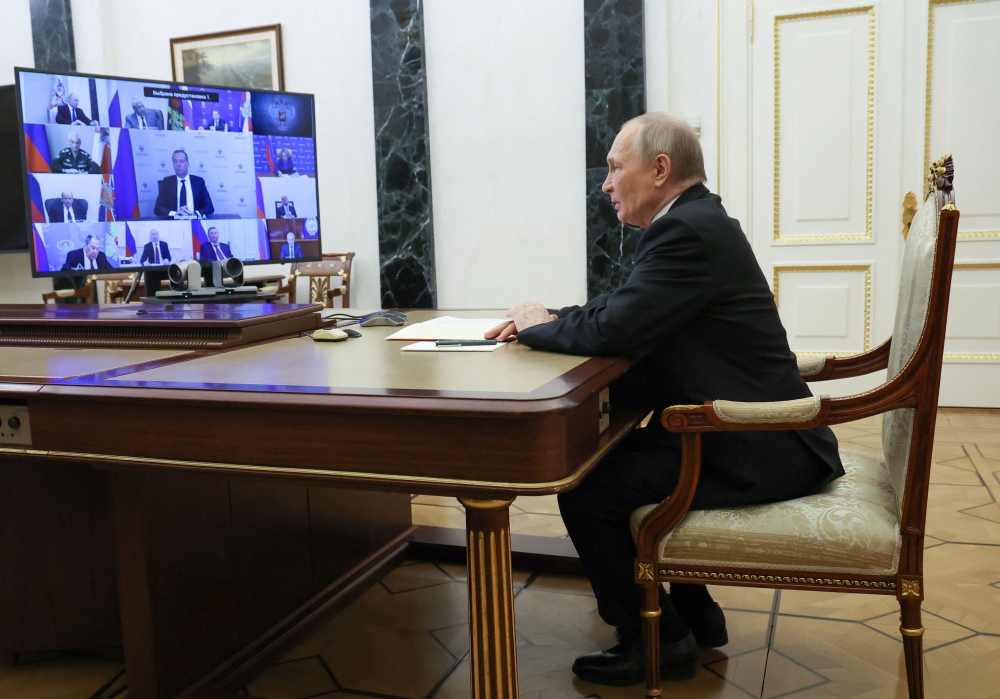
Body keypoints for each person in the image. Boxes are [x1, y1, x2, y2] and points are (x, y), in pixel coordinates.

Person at [485, 113, 843, 687]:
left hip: (757, 444)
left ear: (659, 169)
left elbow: (617, 330)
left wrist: (534, 327)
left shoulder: (687, 230)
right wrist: (554, 318)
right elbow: (625, 308)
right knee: (623, 461)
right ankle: (696, 615)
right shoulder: (695, 221)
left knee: (590, 490)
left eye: (613, 167)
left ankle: (657, 639)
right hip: (753, 433)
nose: (605, 184)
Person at [153, 149, 214, 219]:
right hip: (173, 223)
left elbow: (209, 207)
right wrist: (175, 214)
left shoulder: (199, 182)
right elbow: (158, 209)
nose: (178, 164)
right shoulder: (167, 182)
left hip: (195, 222)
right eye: (175, 161)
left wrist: (194, 214)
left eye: (182, 161)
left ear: (187, 164)